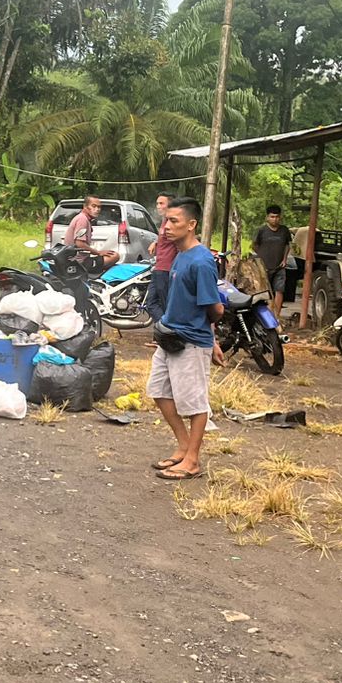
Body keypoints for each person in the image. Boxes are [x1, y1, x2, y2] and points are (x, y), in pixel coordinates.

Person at [149, 197, 224, 482]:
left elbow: (213, 308)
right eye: (166, 221)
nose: (167, 226)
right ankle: (183, 446)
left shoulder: (202, 261)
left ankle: (192, 460)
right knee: (158, 390)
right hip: (170, 336)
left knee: (194, 404)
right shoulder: (180, 255)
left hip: (191, 342)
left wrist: (210, 341)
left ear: (191, 224)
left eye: (174, 221)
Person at [250, 204, 295, 323]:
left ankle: (276, 316)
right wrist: (260, 257)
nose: (274, 219)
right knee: (263, 292)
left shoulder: (284, 230)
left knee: (279, 290)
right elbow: (254, 245)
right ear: (267, 217)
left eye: (277, 217)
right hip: (264, 267)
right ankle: (263, 317)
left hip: (279, 266)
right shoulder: (261, 231)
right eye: (272, 217)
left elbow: (287, 245)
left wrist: (284, 259)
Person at [143, 191, 177, 320]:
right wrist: (156, 242)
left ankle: (167, 333)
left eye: (161, 203)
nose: (158, 206)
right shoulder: (164, 221)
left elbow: (178, 242)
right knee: (150, 303)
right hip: (158, 268)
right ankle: (162, 333)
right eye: (157, 203)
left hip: (166, 269)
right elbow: (165, 238)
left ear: (170, 205)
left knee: (164, 304)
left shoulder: (173, 222)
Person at [61, 194, 120, 268]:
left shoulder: (84, 219)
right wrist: (98, 252)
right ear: (85, 207)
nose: (97, 209)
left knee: (111, 255)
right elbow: (79, 243)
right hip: (78, 262)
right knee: (114, 256)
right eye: (94, 206)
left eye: (99, 207)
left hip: (80, 259)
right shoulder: (82, 219)